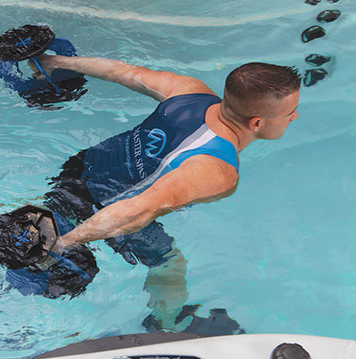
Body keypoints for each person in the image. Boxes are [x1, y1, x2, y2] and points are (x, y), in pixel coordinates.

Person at [34, 55, 301, 330]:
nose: (295, 116)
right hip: (102, 204)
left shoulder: (190, 90)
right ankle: (167, 323)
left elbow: (125, 72)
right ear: (256, 123)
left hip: (80, 168)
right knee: (170, 263)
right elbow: (138, 209)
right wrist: (63, 244)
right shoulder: (218, 171)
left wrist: (55, 61)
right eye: (289, 112)